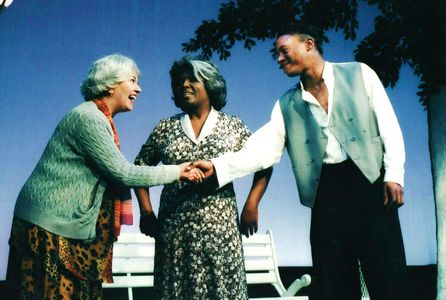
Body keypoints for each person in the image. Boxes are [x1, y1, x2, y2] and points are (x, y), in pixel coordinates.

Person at [193, 23, 408, 300]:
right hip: (326, 197)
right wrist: (218, 166)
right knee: (334, 283)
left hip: (371, 186)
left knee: (389, 278)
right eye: (277, 55)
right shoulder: (287, 104)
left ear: (309, 44)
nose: (279, 59)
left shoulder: (360, 73)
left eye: (283, 51)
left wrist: (394, 174)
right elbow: (262, 150)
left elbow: (389, 125)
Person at [6, 54, 203, 299]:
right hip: (48, 226)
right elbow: (123, 173)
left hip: (57, 224)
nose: (138, 88)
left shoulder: (100, 118)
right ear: (111, 84)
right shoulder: (89, 118)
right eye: (132, 80)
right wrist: (179, 171)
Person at [134, 56, 272, 300]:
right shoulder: (165, 128)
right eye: (179, 81)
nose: (184, 84)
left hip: (221, 231)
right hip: (174, 233)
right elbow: (140, 168)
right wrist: (146, 212)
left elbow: (264, 161)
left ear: (210, 84)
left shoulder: (233, 126)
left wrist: (252, 204)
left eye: (192, 79)